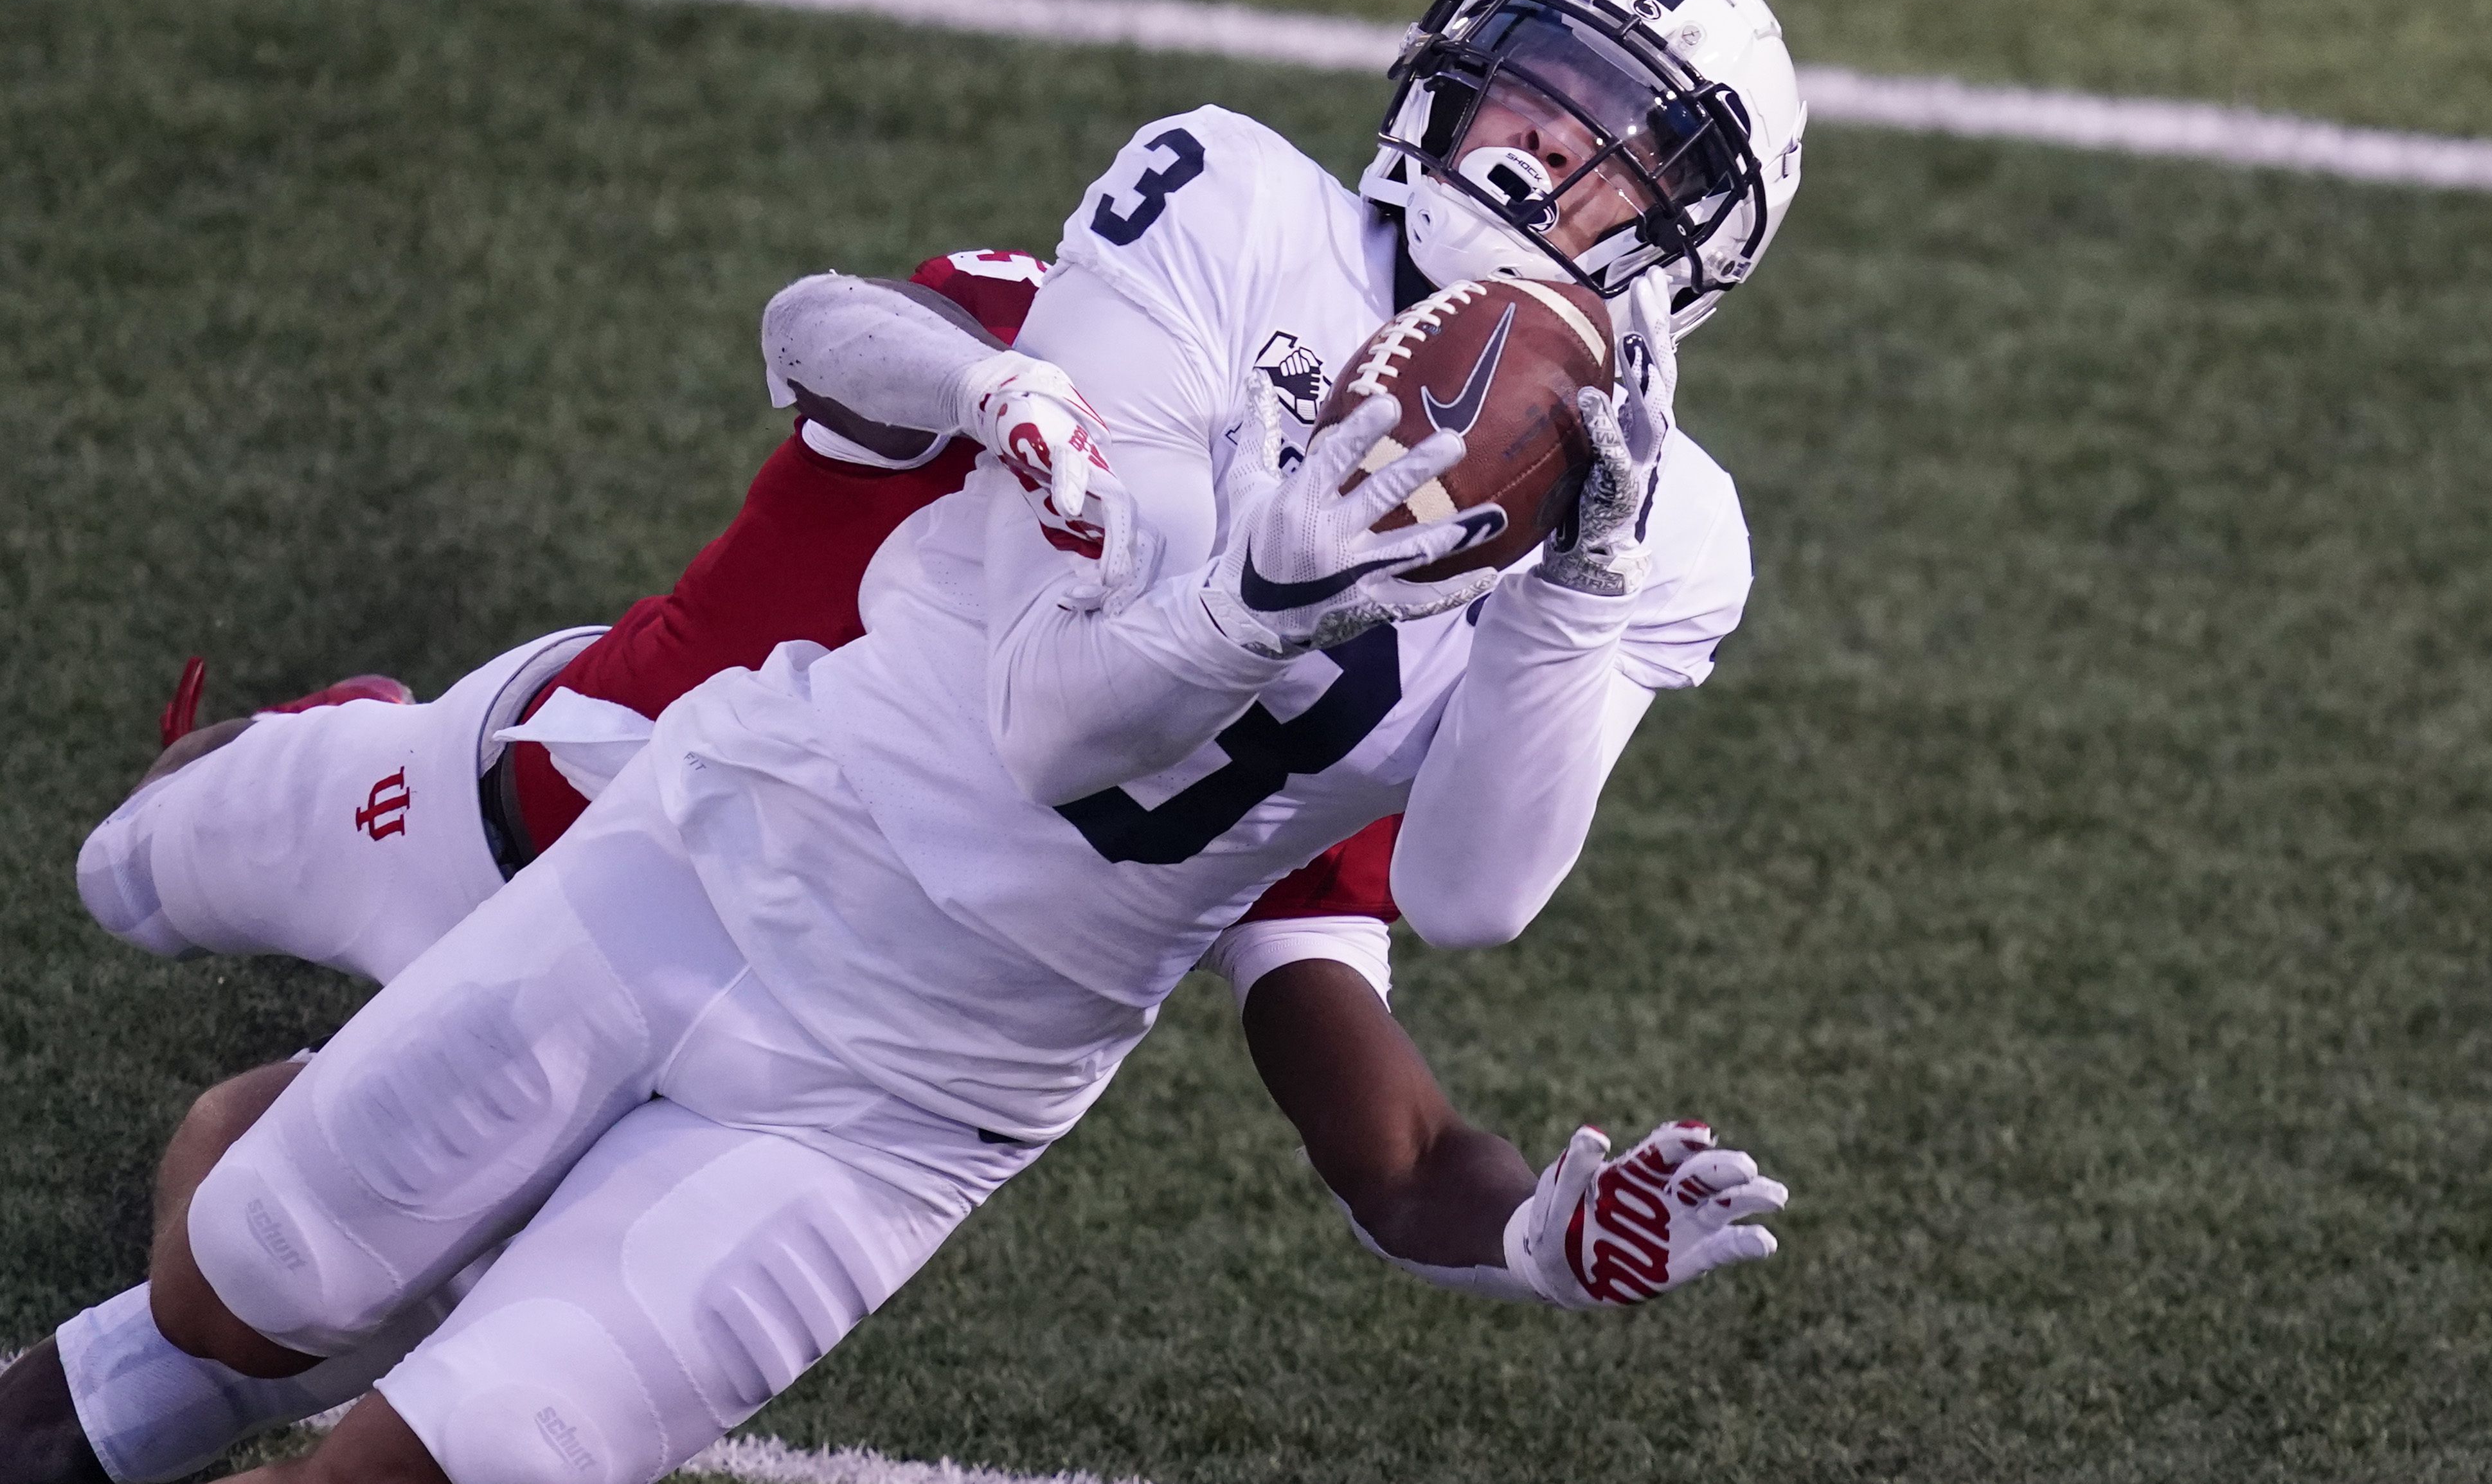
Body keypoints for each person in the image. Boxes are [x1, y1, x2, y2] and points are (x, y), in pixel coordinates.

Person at [107, 0, 1804, 1484]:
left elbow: (1467, 897)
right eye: (1528, 80)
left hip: (924, 1085)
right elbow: (1054, 713)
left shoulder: (1670, 530)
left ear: (1683, 239)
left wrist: (1571, 593)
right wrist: (1223, 569)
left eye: (1605, 142)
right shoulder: (1230, 204)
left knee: (448, 1457)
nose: (1528, 142)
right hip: (699, 830)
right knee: (235, 1279)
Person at [1, 252, 1434, 1484]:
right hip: (519, 791)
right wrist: (991, 392)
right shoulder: (1097, 332)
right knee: (128, 876)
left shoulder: (1358, 679)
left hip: (791, 985)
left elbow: (1342, 1017)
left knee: (331, 1302)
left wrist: (1522, 1225)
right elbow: (820, 325)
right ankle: (321, 758)